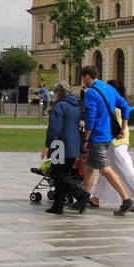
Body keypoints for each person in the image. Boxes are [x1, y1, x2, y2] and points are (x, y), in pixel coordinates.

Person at [78, 65, 134, 215]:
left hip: (98, 135)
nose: (83, 81)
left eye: (83, 78)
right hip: (108, 134)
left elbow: (91, 116)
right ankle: (84, 198)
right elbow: (125, 106)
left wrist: (86, 138)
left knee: (104, 168)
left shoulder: (91, 92)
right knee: (89, 166)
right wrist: (123, 127)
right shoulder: (109, 88)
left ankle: (126, 199)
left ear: (88, 76)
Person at [89, 99, 134, 214]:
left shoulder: (114, 106)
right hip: (115, 141)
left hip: (116, 142)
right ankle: (95, 197)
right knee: (106, 171)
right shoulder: (119, 105)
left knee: (125, 169)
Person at [41, 82, 90, 215]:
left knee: (57, 175)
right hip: (73, 144)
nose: (53, 96)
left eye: (54, 93)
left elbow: (54, 128)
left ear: (58, 93)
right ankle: (58, 206)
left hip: (60, 144)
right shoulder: (75, 106)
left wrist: (47, 145)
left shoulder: (59, 106)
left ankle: (81, 194)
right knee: (63, 175)